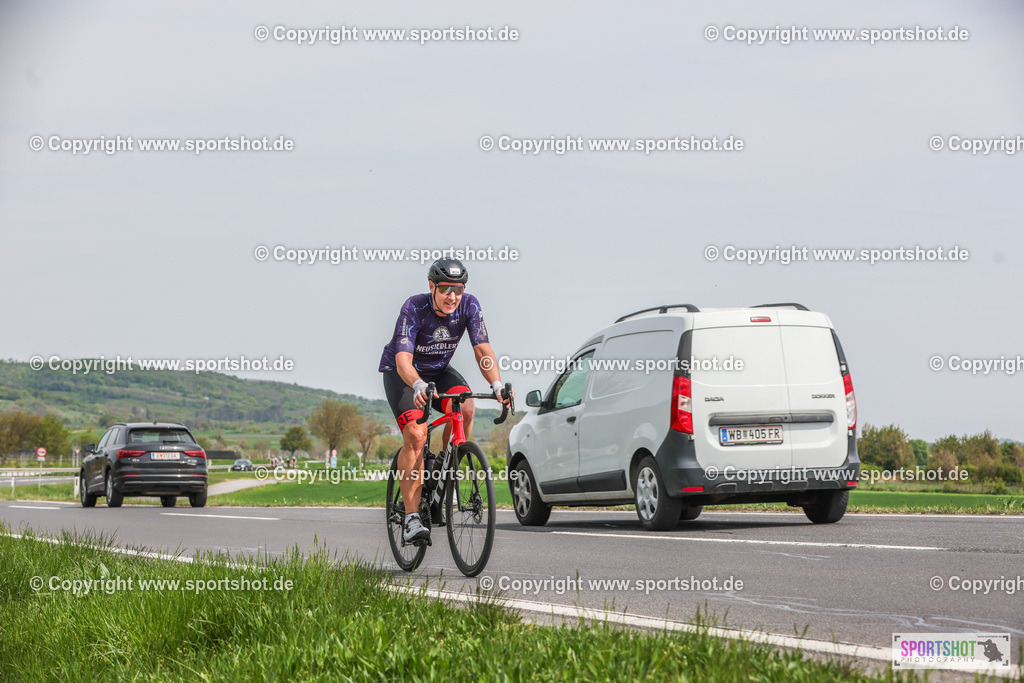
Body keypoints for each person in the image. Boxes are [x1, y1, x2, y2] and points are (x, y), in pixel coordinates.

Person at [379, 258, 510, 545]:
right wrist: (416, 384)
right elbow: (403, 358)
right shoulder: (414, 307)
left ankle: (443, 466)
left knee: (466, 406)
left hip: (438, 371)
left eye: (458, 290)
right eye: (446, 289)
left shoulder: (469, 305)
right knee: (416, 433)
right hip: (403, 375)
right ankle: (412, 518)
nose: (452, 297)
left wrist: (497, 384)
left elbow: (482, 349)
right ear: (432, 287)